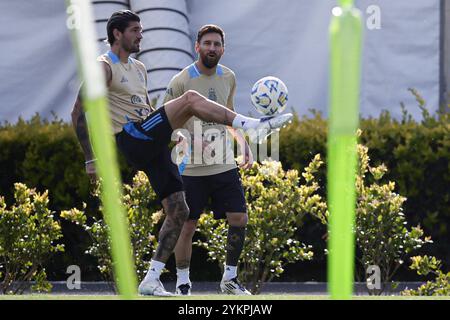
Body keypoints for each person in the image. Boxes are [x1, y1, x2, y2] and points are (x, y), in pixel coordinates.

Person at [71, 10, 292, 296]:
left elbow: (147, 112)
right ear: (117, 33)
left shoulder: (139, 68)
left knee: (179, 211)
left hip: (150, 141)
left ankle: (151, 279)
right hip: (131, 137)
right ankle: (250, 124)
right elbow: (78, 112)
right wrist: (90, 157)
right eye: (136, 30)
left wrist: (174, 136)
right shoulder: (103, 67)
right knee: (188, 100)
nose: (141, 35)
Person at [164, 25, 252, 296]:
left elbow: (230, 115)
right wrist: (190, 139)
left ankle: (230, 279)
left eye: (217, 44)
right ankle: (182, 282)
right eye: (207, 43)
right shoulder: (181, 81)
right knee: (187, 225)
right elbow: (167, 126)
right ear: (197, 47)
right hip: (191, 168)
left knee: (239, 217)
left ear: (223, 49)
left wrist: (244, 144)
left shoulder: (229, 77)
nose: (212, 48)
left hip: (225, 164)